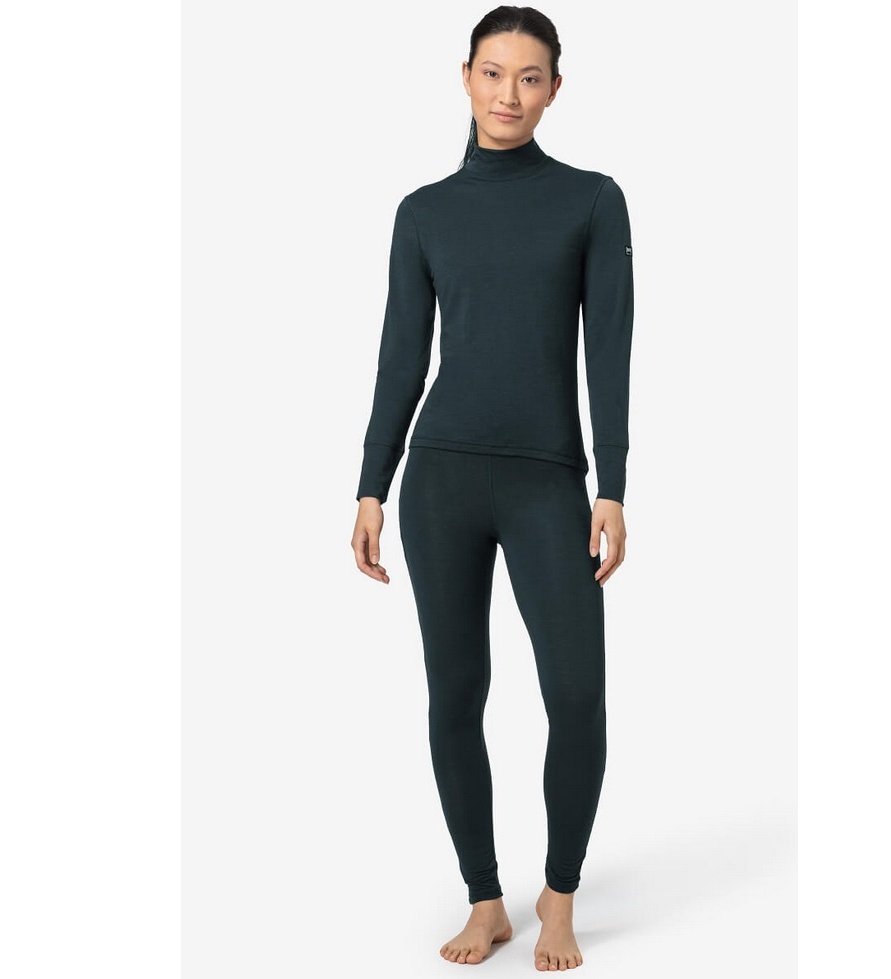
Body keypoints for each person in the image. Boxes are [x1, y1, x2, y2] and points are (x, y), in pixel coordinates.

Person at [351, 5, 634, 970]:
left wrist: (612, 482)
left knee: (577, 695)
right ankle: (486, 898)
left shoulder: (591, 200)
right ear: (465, 76)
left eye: (529, 76)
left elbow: (609, 351)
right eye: (492, 72)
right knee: (454, 695)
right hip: (440, 481)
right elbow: (400, 357)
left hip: (548, 479)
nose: (508, 93)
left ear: (554, 88)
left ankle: (558, 895)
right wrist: (371, 484)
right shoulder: (423, 211)